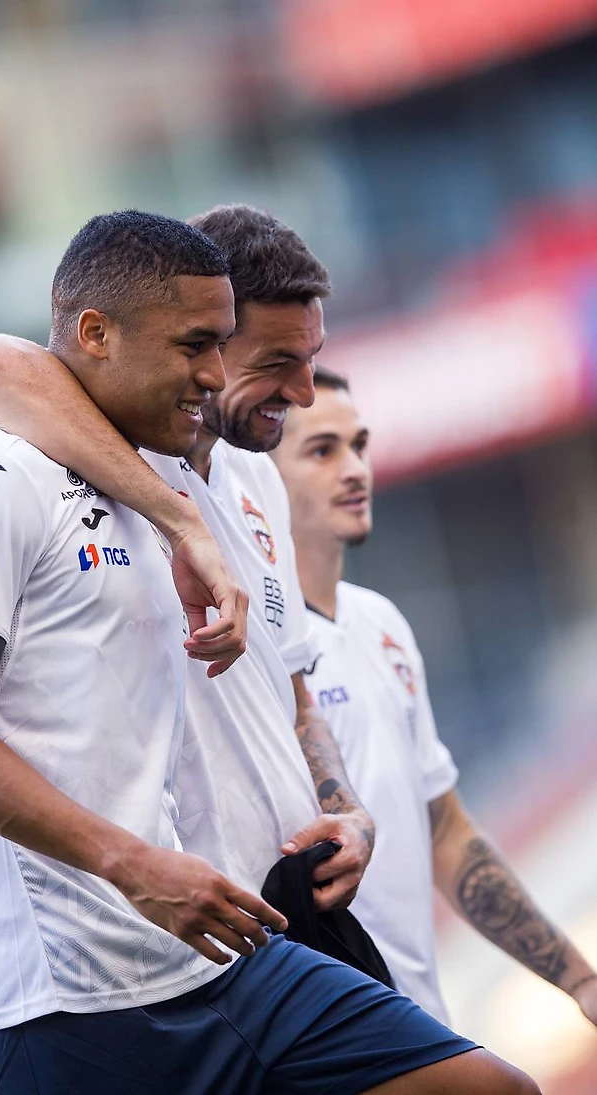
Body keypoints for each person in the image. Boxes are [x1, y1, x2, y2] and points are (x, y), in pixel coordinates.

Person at [0, 210, 540, 1094]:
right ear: (98, 334)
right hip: (62, 995)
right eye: (204, 345)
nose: (218, 373)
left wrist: (342, 805)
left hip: (230, 951)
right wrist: (135, 866)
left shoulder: (201, 474)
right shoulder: (0, 477)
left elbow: (291, 692)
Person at [270, 365, 597, 1029]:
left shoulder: (382, 622)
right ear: (259, 480)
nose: (354, 469)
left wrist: (580, 980)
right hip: (329, 1029)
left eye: (359, 445)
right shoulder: (250, 641)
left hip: (425, 1014)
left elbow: (444, 831)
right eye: (322, 450)